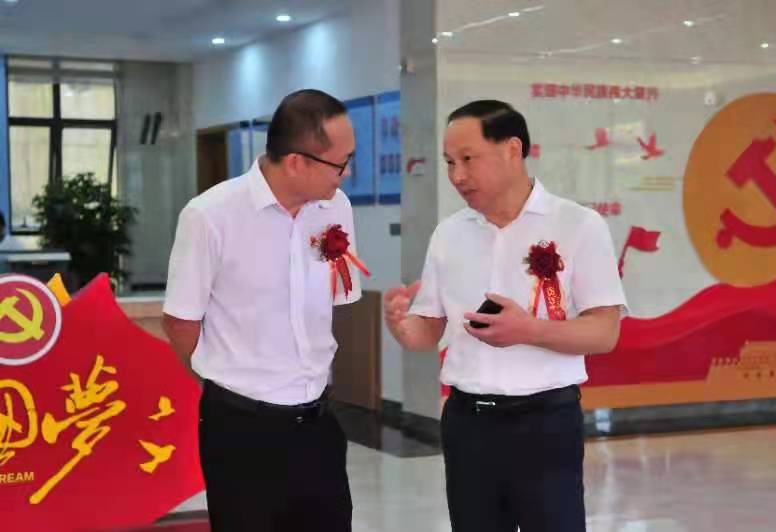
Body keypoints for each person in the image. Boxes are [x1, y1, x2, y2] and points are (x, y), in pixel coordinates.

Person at [384, 100, 627, 532]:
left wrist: (529, 330)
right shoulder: (449, 234)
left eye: (468, 159)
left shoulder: (578, 226)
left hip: (545, 422)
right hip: (467, 423)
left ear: (513, 150)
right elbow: (428, 331)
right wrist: (402, 326)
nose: (457, 175)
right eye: (449, 162)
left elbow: (604, 333)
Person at [163, 89, 363, 532]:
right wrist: (226, 380)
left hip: (318, 424)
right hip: (242, 431)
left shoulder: (335, 208)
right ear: (296, 162)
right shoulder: (210, 216)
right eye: (340, 163)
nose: (348, 173)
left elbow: (337, 297)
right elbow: (180, 321)